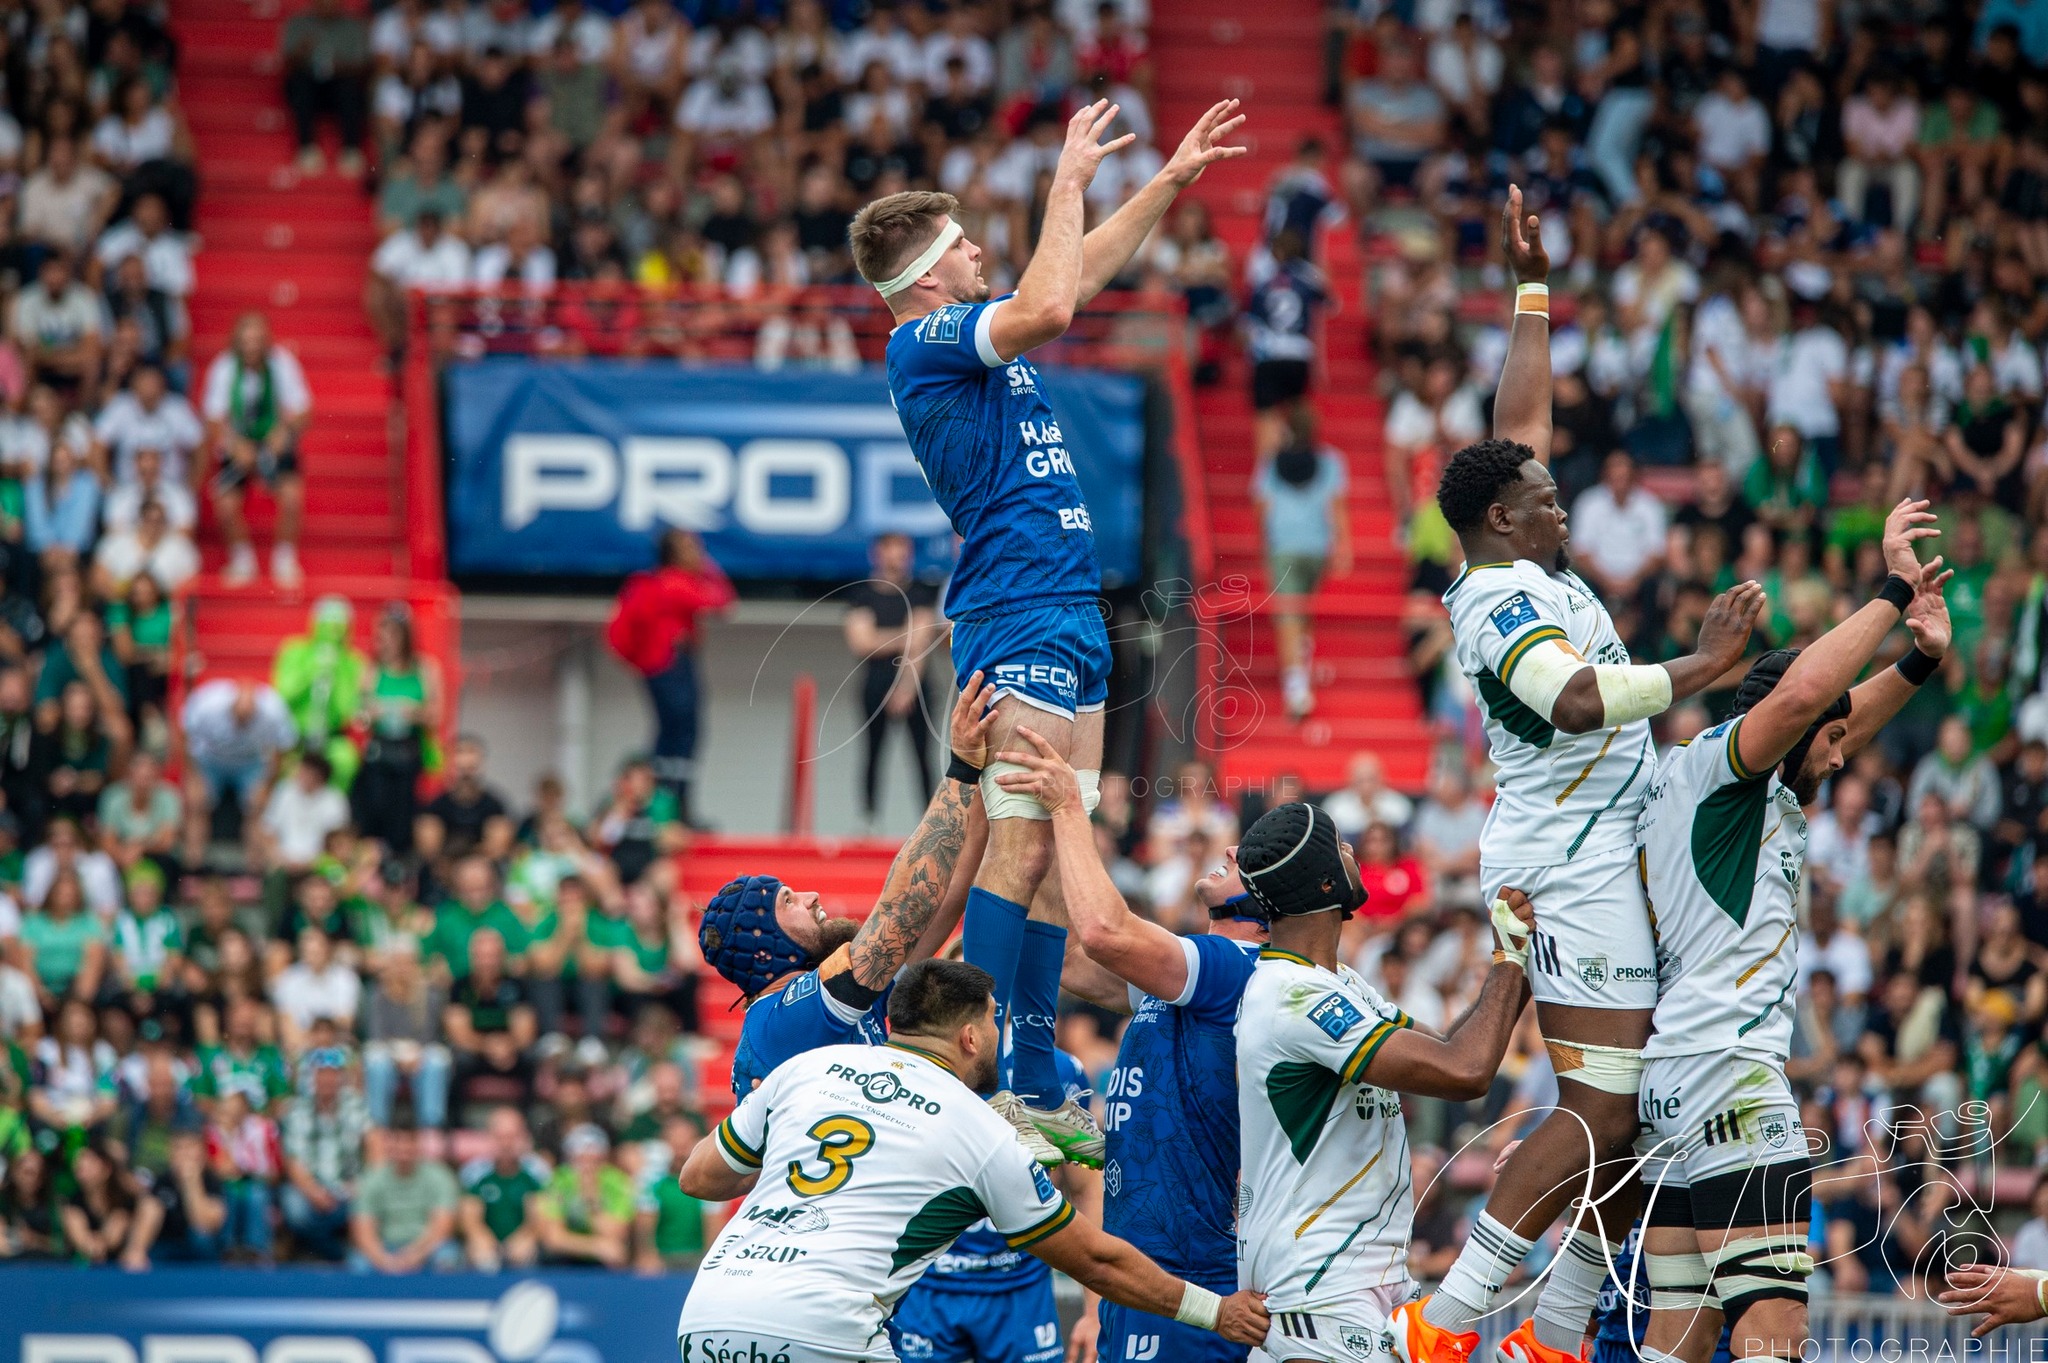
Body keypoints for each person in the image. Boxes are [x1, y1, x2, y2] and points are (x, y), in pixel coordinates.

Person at [1400, 190, 1764, 1363]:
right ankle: (1445, 1323)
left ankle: (1550, 1333)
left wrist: (1531, 294)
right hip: (1570, 865)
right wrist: (1700, 667)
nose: (1563, 501)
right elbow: (1570, 697)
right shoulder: (1502, 599)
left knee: (1633, 1109)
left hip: (1606, 849)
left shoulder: (1517, 550)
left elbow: (1517, 426)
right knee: (1601, 1106)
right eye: (1546, 498)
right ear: (1503, 521)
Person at [851, 96, 1244, 1164]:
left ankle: (1024, 1065)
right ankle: (980, 1069)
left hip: (1065, 606)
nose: (983, 248)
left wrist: (1162, 183)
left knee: (1053, 839)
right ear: (927, 274)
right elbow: (1050, 306)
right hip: (1015, 607)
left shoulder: (971, 327)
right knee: (1020, 847)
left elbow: (1072, 281)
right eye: (964, 241)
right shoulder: (922, 339)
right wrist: (1065, 181)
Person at [1633, 507, 1950, 1363]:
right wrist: (1890, 591)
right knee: (1776, 1336)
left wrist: (1919, 661)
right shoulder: (1728, 774)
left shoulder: (1719, 782)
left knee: (1679, 1338)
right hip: (1732, 1079)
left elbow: (1829, 716)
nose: (1844, 758)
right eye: (1831, 744)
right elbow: (1810, 700)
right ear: (1783, 724)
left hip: (1670, 1090)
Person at [674, 957, 1270, 1362]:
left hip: (708, 1316)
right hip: (824, 1331)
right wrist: (1214, 1311)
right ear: (968, 1037)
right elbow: (1096, 1260)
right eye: (991, 1017)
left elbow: (699, 1176)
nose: (996, 1028)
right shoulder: (980, 1128)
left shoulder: (804, 1071)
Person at [990, 731, 1263, 1363]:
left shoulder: (1235, 966)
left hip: (1192, 1272)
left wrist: (1068, 807)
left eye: (1245, 855)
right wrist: (1023, 827)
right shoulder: (1188, 979)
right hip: (1138, 1268)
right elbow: (1070, 955)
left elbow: (1104, 932)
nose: (1227, 847)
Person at [1231, 802, 1535, 1363]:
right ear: (1325, 883)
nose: (1354, 853)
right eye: (1342, 847)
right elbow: (1464, 1072)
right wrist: (1510, 963)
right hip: (1321, 1290)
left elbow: (1449, 1045)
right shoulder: (1297, 998)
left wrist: (1515, 962)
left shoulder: (1337, 983)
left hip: (1348, 1286)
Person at [703, 679, 995, 1095]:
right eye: (789, 900)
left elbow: (944, 894)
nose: (811, 896)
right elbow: (901, 911)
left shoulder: (848, 998)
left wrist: (988, 774)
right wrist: (962, 767)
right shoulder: (783, 1018)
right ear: (764, 943)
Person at [605, 529, 734, 825]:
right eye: (691, 548)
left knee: (671, 734)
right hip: (670, 664)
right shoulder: (673, 583)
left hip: (662, 665)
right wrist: (707, 566)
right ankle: (671, 806)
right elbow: (724, 602)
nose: (697, 553)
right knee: (682, 735)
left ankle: (666, 804)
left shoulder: (658, 584)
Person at [1254, 406, 1351, 719]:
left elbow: (1262, 506)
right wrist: (1343, 545)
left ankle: (1296, 685)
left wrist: (1265, 542)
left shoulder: (1271, 463)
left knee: (1291, 615)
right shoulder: (1331, 461)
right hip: (1316, 548)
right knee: (1299, 613)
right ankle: (1298, 677)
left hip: (1285, 546)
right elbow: (1336, 507)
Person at [202, 312, 312, 587]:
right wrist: (234, 445)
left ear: (266, 342)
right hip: (237, 440)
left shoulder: (282, 363)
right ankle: (242, 560)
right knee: (225, 503)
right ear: (236, 342)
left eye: (257, 340)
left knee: (291, 497)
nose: (251, 347)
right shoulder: (224, 367)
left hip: (272, 439)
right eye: (246, 341)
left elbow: (304, 410)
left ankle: (284, 559)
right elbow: (213, 419)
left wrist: (284, 432)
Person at [843, 531, 940, 828]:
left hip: (916, 684)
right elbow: (861, 642)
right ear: (877, 554)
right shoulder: (862, 594)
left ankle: (931, 824)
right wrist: (904, 636)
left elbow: (921, 643)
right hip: (874, 683)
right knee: (873, 751)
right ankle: (869, 820)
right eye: (891, 549)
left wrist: (906, 688)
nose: (897, 556)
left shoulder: (921, 592)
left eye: (903, 550)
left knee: (923, 755)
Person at [354, 603, 442, 854]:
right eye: (381, 636)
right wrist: (373, 712)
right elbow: (359, 717)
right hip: (380, 748)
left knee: (404, 814)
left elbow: (436, 715)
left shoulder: (425, 668)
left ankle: (400, 857)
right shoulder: (370, 669)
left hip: (410, 748)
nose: (385, 642)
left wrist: (411, 711)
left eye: (392, 635)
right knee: (374, 806)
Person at [273, 595, 369, 789]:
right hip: (295, 739)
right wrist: (313, 670)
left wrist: (336, 674)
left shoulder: (354, 661)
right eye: (327, 624)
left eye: (339, 626)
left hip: (331, 739)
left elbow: (347, 711)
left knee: (346, 760)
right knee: (280, 766)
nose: (333, 632)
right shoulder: (294, 651)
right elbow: (282, 695)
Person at [349, 1118, 461, 1273]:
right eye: (398, 1141)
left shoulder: (440, 1176)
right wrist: (384, 1260)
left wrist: (414, 1255)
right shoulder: (372, 1179)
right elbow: (363, 1231)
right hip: (386, 1246)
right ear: (389, 1145)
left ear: (419, 1144)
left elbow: (442, 1228)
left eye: (409, 1142)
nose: (404, 1148)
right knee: (359, 1265)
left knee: (447, 1258)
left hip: (427, 1247)